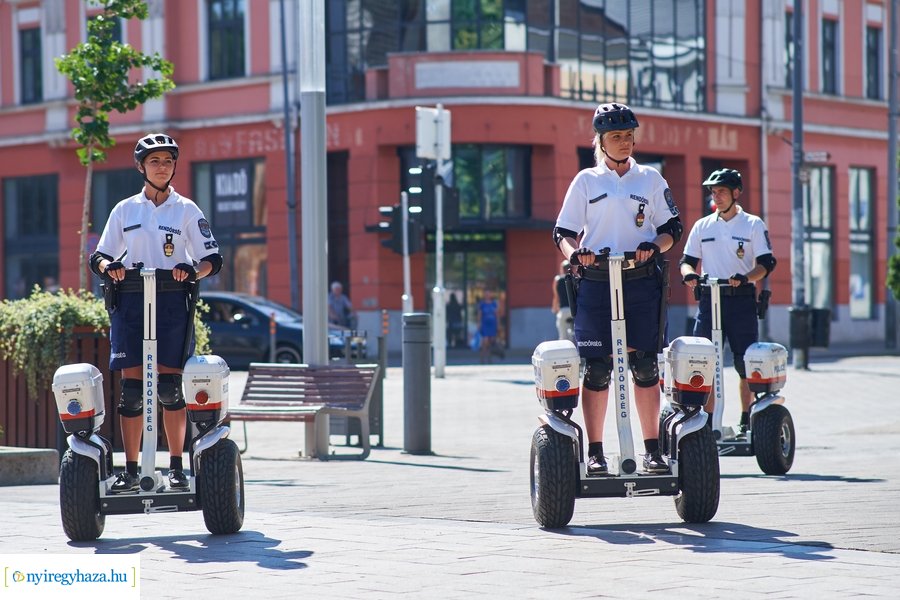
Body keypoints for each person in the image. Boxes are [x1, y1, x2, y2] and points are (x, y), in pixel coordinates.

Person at [553, 102, 683, 475]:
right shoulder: (586, 181)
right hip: (595, 282)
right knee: (597, 368)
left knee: (645, 366)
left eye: (628, 135)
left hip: (640, 281)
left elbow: (672, 228)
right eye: (616, 136)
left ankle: (652, 450)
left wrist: (653, 248)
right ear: (600, 141)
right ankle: (595, 453)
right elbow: (562, 232)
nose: (624, 142)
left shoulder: (651, 179)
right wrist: (575, 255)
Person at [89, 133, 223, 493]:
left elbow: (212, 259)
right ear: (141, 167)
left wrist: (192, 271)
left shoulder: (187, 210)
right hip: (131, 300)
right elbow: (100, 255)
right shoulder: (125, 209)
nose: (162, 167)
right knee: (132, 392)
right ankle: (131, 470)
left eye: (167, 161)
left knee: (169, 388)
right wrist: (108, 268)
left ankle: (177, 466)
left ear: (174, 166)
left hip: (171, 300)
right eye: (154, 161)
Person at [679, 168, 777, 439]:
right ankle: (708, 421)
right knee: (704, 362)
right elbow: (686, 261)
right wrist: (690, 275)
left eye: (721, 191)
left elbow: (766, 264)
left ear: (736, 193)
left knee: (744, 363)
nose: (716, 196)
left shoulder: (753, 224)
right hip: (709, 300)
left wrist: (746, 278)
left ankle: (747, 418)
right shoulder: (703, 225)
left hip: (740, 300)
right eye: (713, 192)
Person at [551, 260, 574, 342]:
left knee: (563, 337)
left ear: (562, 269)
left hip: (563, 311)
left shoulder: (557, 280)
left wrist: (554, 308)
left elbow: (556, 296)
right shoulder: (574, 279)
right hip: (574, 311)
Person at [477, 290, 501, 364]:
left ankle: (489, 358)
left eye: (488, 293)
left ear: (491, 295)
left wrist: (498, 324)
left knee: (491, 342)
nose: (487, 295)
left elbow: (497, 315)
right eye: (486, 294)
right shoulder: (482, 304)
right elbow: (479, 315)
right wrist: (479, 323)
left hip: (492, 325)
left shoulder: (494, 304)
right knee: (485, 341)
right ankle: (482, 358)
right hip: (485, 325)